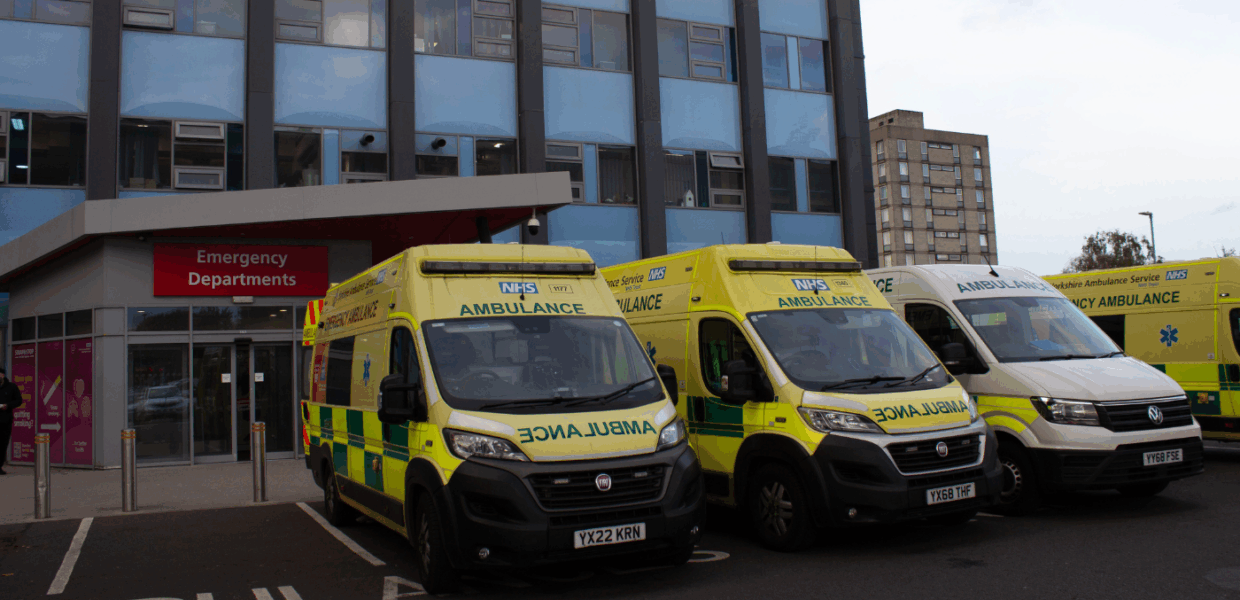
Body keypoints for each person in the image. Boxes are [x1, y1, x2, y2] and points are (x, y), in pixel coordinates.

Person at [0, 368, 22, 475]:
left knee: (3, 443)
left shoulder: (11, 387)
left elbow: (18, 401)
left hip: (5, 420)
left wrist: (8, 406)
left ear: (2, 375)